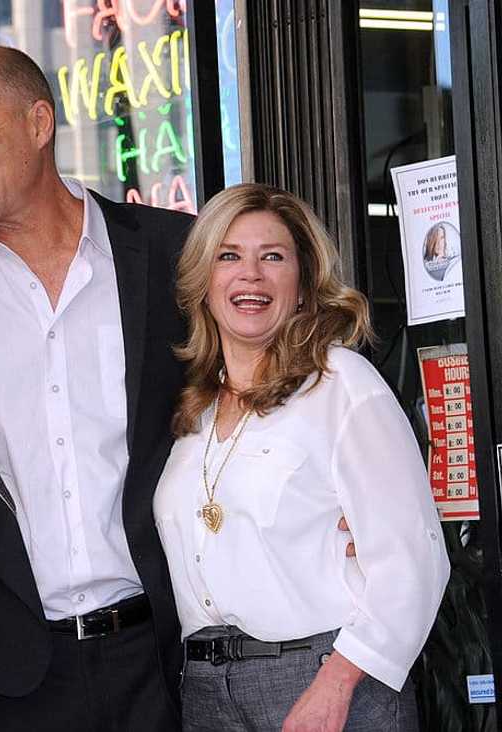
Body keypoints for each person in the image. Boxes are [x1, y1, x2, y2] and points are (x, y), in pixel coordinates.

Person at [0, 46, 192, 731]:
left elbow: (266, 380)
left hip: (165, 656)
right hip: (12, 679)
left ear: (39, 123)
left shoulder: (172, 253)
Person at [153, 183, 450, 731]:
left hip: (326, 676)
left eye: (273, 257)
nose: (251, 275)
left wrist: (336, 683)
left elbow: (415, 557)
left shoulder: (341, 385)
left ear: (304, 284)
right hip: (205, 691)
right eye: (229, 256)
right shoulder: (191, 410)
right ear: (203, 281)